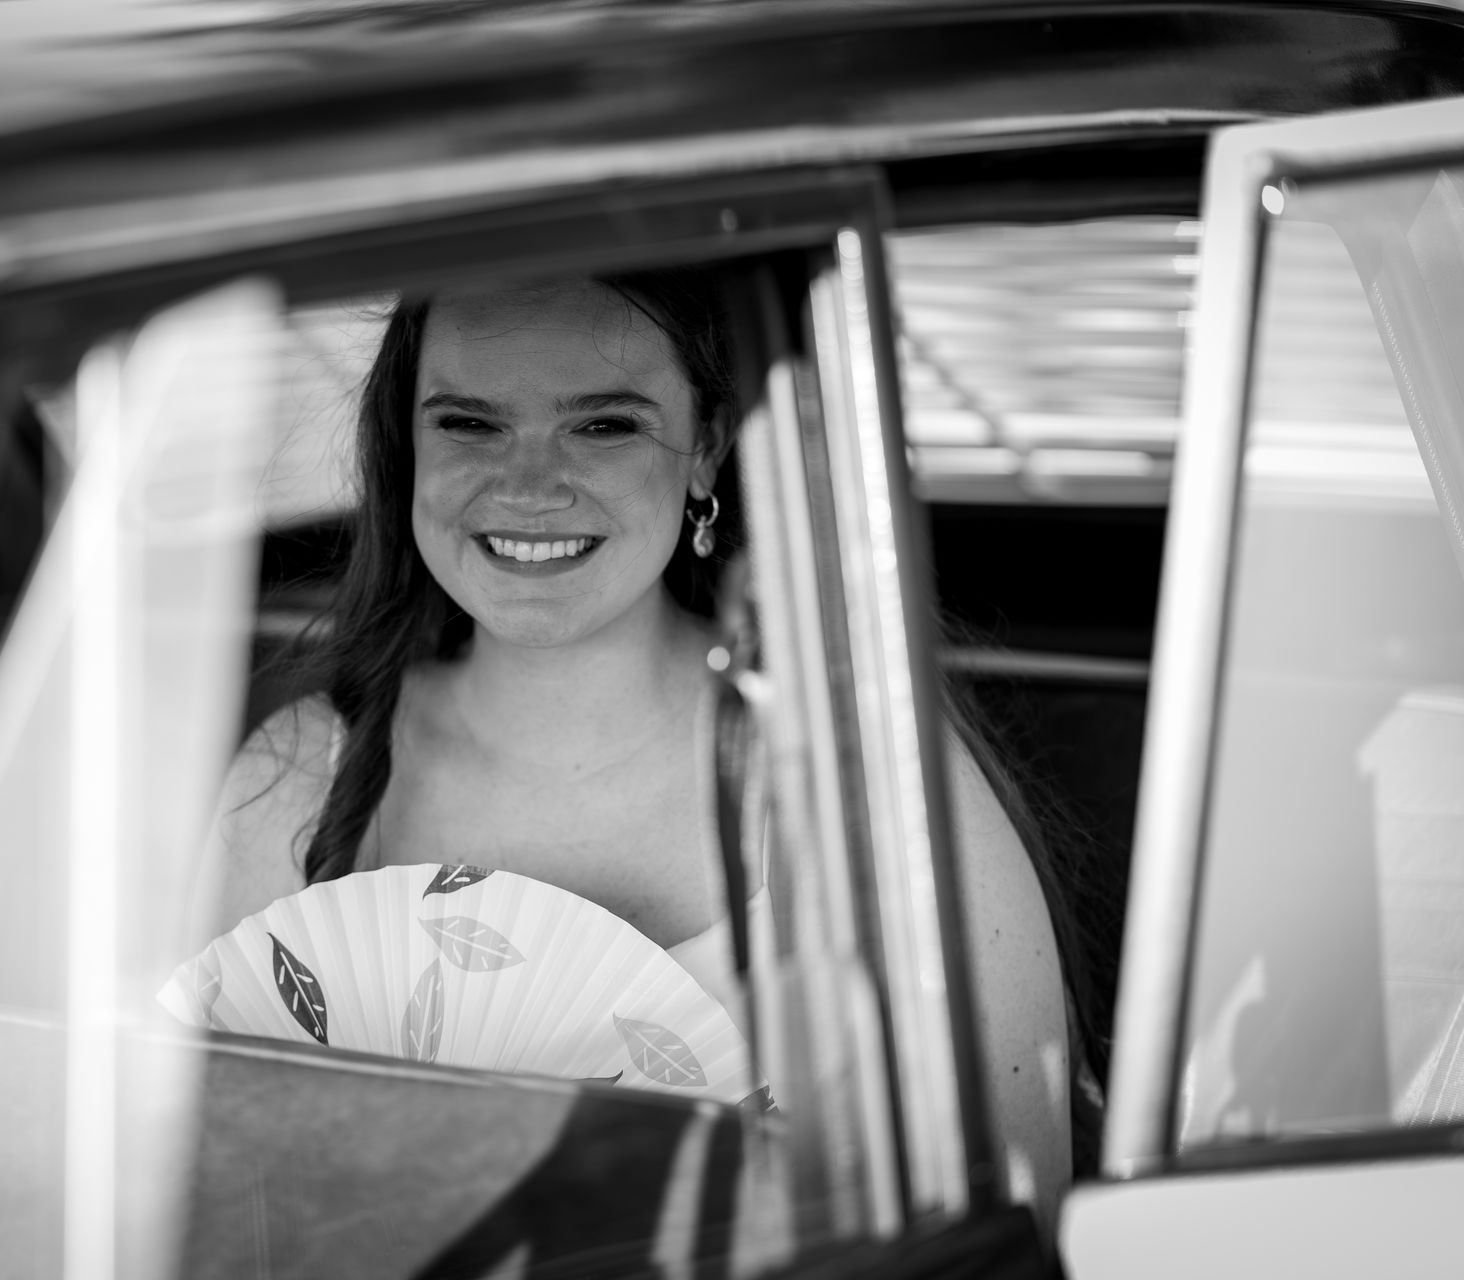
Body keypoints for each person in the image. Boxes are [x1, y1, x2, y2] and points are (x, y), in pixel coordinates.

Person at [200, 268, 1075, 1224]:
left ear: (704, 448)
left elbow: (1006, 1235)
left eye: (603, 424)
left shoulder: (866, 790)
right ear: (405, 443)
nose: (528, 485)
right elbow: (193, 1198)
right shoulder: (299, 781)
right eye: (469, 423)